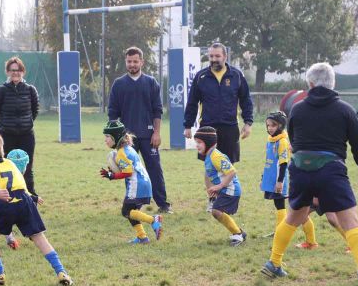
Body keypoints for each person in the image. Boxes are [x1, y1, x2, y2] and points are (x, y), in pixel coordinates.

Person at [260, 62, 358, 286]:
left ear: (310, 84)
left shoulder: (297, 109)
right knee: (351, 221)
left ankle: (274, 263)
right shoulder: (345, 109)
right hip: (331, 170)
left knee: (293, 218)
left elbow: (294, 141)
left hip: (300, 170)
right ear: (333, 84)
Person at [0, 132, 72, 286]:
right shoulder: (10, 163)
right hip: (24, 202)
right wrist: (32, 198)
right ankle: (62, 272)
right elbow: (21, 185)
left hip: (5, 202)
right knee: (39, 237)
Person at [108, 47, 171, 214]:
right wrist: (115, 137)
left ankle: (163, 204)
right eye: (129, 61)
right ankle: (133, 204)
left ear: (142, 62)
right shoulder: (119, 84)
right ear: (126, 62)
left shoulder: (151, 83)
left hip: (149, 135)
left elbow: (157, 110)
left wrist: (157, 133)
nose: (132, 64)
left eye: (135, 61)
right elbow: (113, 114)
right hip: (126, 139)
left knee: (154, 169)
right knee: (129, 171)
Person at [183, 42, 254, 164]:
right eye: (211, 56)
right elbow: (192, 103)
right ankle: (212, 185)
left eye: (217, 56)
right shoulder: (201, 77)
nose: (213, 59)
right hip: (207, 127)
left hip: (230, 127)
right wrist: (188, 125)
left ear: (225, 57)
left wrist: (248, 123)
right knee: (209, 165)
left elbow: (246, 100)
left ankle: (227, 184)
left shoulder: (236, 75)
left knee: (228, 166)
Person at [100, 120, 163, 244]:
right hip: (144, 182)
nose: (105, 140)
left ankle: (153, 220)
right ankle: (142, 237)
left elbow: (127, 173)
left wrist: (111, 175)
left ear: (116, 137)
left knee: (126, 211)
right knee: (131, 213)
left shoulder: (121, 153)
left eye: (107, 136)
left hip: (137, 185)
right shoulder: (128, 148)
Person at [260, 111, 317, 248]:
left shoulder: (282, 142)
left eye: (273, 125)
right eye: (268, 125)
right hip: (272, 179)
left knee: (299, 212)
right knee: (279, 206)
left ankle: (311, 241)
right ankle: (279, 231)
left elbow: (283, 163)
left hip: (280, 181)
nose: (270, 128)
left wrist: (280, 182)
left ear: (281, 125)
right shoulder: (271, 140)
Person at [0, 56, 40, 197]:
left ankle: (30, 194)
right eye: (12, 70)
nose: (15, 73)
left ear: (22, 71)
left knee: (27, 166)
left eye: (18, 70)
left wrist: (26, 123)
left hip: (26, 135)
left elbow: (34, 110)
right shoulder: (1, 91)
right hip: (6, 135)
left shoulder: (30, 90)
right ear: (8, 72)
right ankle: (9, 194)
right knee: (7, 165)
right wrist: (4, 125)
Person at [193, 126, 246, 246]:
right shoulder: (209, 156)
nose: (197, 145)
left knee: (216, 211)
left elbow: (232, 171)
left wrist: (219, 186)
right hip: (225, 189)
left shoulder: (216, 156)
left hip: (231, 190)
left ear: (208, 142)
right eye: (196, 142)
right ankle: (238, 232)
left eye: (199, 142)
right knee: (216, 211)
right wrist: (213, 188)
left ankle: (238, 233)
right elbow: (209, 174)